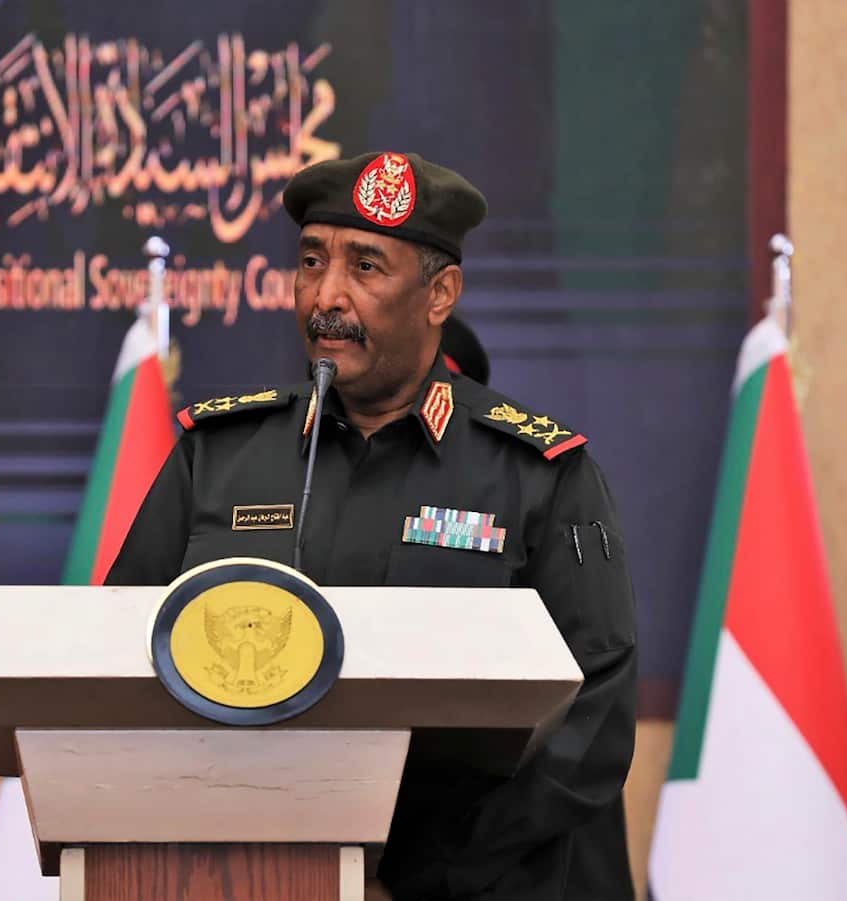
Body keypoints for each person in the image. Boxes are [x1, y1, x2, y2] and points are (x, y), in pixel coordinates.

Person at [106, 151, 637, 900]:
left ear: (439, 293)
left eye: (364, 267)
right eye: (311, 262)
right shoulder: (219, 456)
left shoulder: (538, 475)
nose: (327, 296)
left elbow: (594, 721)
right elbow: (115, 664)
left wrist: (424, 880)